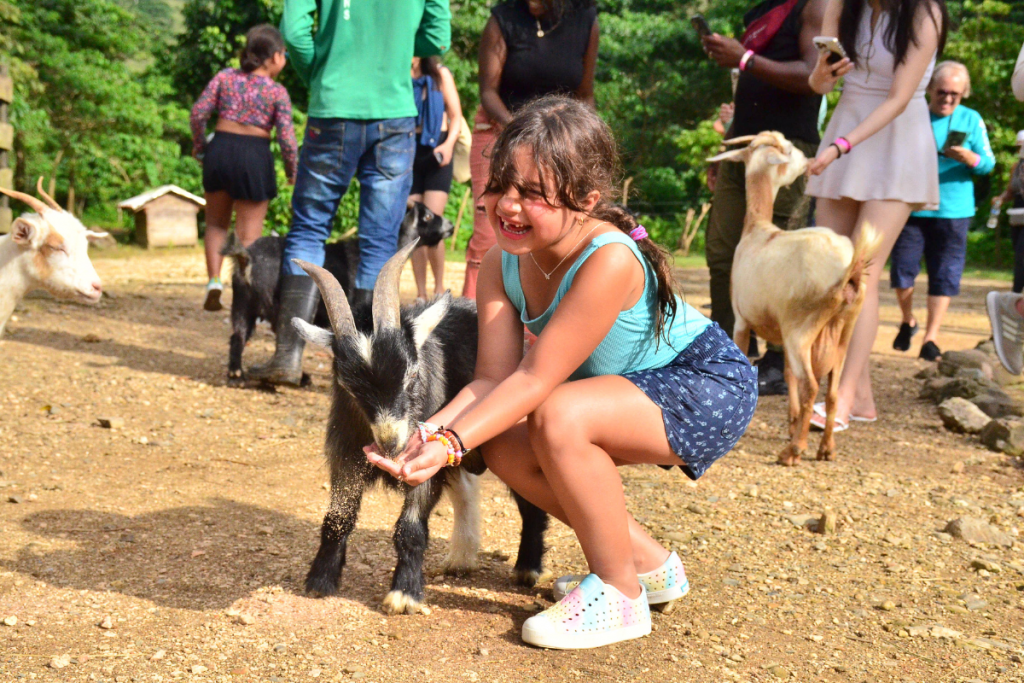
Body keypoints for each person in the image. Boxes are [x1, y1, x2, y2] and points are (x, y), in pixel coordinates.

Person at [364, 96, 757, 649]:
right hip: (626, 392)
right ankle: (648, 567)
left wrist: (450, 444)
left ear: (586, 202)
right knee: (499, 442)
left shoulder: (609, 258)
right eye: (501, 184)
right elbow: (491, 380)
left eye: (532, 193)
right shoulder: (503, 262)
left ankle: (619, 594)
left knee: (555, 413)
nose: (508, 204)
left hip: (705, 384)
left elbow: (534, 380)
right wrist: (429, 433)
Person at [249, 0, 451, 385]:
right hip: (394, 111)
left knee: (309, 230)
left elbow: (294, 33)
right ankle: (365, 365)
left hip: (333, 105)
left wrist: (322, 73)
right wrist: (393, 46)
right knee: (379, 242)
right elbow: (437, 37)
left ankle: (287, 357)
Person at [805, 0, 947, 431]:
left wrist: (839, 147)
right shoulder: (841, 6)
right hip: (845, 127)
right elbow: (819, 85)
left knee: (860, 274)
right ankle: (862, 398)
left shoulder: (925, 12)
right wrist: (821, 76)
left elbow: (899, 99)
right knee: (833, 274)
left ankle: (842, 398)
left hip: (896, 140)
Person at [701, 0, 828, 395]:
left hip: (786, 149)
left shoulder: (814, 6)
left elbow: (813, 75)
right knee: (722, 251)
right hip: (745, 147)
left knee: (782, 256)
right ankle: (725, 352)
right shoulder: (758, 12)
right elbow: (750, 90)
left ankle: (778, 360)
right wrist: (727, 144)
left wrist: (745, 59)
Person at [462, 0, 600, 299]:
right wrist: (522, 137)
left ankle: (545, 311)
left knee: (558, 231)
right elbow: (488, 92)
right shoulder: (503, 19)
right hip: (502, 131)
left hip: (560, 143)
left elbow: (585, 94)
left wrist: (583, 145)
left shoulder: (586, 19)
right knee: (490, 234)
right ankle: (473, 312)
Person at [889, 61, 994, 361]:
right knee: (902, 271)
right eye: (942, 92)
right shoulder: (911, 115)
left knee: (944, 274)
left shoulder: (971, 119)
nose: (947, 98)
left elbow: (988, 163)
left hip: (954, 211)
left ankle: (930, 339)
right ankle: (908, 320)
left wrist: (970, 158)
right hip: (912, 208)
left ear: (963, 94)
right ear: (930, 89)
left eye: (954, 94)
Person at [190, 25, 297, 312]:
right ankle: (246, 296)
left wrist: (200, 147)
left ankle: (214, 281)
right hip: (255, 156)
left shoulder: (225, 77)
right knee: (249, 236)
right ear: (274, 57)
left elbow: (199, 112)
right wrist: (292, 171)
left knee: (216, 224)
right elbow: (286, 138)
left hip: (220, 150)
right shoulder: (276, 91)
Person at [409, 56, 464, 302]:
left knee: (432, 224)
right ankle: (421, 294)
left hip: (439, 149)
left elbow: (456, 116)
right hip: (409, 149)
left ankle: (439, 289)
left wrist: (449, 145)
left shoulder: (441, 74)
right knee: (414, 228)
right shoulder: (401, 73)